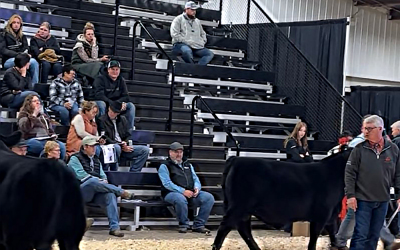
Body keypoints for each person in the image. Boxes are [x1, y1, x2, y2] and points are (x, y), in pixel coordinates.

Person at [345, 115, 400, 250]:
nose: (365, 132)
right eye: (364, 128)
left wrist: (399, 195)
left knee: (374, 235)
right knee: (360, 234)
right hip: (362, 199)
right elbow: (349, 173)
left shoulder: (393, 149)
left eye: (369, 128)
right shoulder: (358, 149)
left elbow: (398, 174)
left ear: (380, 129)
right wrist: (350, 195)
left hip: (383, 200)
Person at [68, 135, 134, 237]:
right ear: (85, 147)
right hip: (80, 192)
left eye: (95, 146)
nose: (95, 148)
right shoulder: (74, 159)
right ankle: (120, 192)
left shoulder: (96, 160)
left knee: (110, 195)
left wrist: (102, 181)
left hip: (95, 191)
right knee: (92, 180)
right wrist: (99, 181)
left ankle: (114, 228)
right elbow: (82, 176)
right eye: (92, 146)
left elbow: (103, 176)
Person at [158, 142, 215, 234]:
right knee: (180, 198)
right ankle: (183, 224)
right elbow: (167, 183)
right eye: (176, 152)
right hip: (170, 193)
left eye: (180, 152)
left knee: (209, 198)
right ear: (170, 152)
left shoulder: (188, 165)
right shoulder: (164, 166)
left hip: (190, 191)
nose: (179, 154)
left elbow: (195, 178)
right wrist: (183, 191)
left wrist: (197, 188)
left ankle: (199, 225)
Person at [98, 101, 149, 172]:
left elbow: (128, 134)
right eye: (112, 111)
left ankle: (134, 172)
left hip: (123, 146)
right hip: (111, 147)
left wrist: (125, 142)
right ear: (109, 108)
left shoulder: (123, 119)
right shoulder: (101, 120)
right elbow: (104, 137)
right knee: (116, 147)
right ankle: (114, 172)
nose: (113, 114)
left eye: (115, 112)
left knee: (145, 150)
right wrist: (119, 144)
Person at [17, 94, 66, 160]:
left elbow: (50, 129)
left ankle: (59, 165)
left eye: (38, 101)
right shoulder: (23, 114)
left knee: (62, 146)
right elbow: (25, 128)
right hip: (31, 139)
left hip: (46, 139)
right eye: (34, 101)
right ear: (29, 104)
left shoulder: (43, 116)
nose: (38, 102)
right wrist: (34, 116)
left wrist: (53, 135)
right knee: (40, 146)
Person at [93, 60, 135, 131]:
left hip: (116, 104)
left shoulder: (121, 80)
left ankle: (128, 133)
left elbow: (126, 96)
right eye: (112, 69)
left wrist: (119, 103)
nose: (115, 71)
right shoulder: (100, 79)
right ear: (108, 70)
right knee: (101, 104)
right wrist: (112, 103)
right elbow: (99, 95)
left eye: (117, 69)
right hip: (105, 103)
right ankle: (102, 129)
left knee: (131, 106)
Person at [170, 1, 214, 65]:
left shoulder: (197, 21)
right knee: (187, 51)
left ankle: (197, 69)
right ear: (186, 9)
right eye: (192, 10)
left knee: (209, 54)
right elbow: (174, 34)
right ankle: (192, 68)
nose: (194, 12)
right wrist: (188, 42)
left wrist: (202, 41)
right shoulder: (178, 19)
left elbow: (203, 33)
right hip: (180, 45)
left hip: (196, 46)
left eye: (195, 10)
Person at [0, 14, 39, 85]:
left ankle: (34, 86)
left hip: (22, 58)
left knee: (34, 62)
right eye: (14, 22)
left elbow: (26, 48)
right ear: (10, 24)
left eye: (18, 23)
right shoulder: (3, 34)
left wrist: (25, 55)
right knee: (31, 62)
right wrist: (18, 55)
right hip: (8, 60)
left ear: (20, 25)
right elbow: (3, 50)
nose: (16, 25)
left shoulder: (22, 36)